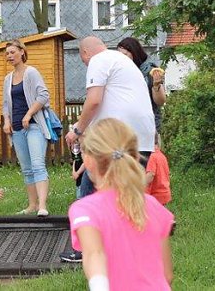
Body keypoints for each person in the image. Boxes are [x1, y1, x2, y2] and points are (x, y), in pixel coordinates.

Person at [61, 36, 157, 263]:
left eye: (83, 59)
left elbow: (94, 101)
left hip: (117, 137)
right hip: (140, 138)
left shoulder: (98, 60)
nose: (85, 63)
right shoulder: (121, 61)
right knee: (126, 194)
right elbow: (111, 103)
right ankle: (128, 247)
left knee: (89, 192)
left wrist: (77, 129)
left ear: (85, 53)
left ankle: (85, 249)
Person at [68, 119, 174, 290]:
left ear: (87, 161)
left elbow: (94, 254)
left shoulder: (85, 209)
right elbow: (167, 275)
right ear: (134, 157)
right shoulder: (154, 206)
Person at [2, 39, 52, 217]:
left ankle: (42, 206)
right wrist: (6, 121)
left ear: (22, 52)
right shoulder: (8, 79)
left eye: (12, 52)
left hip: (34, 126)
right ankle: (32, 205)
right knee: (27, 169)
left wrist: (29, 114)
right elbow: (6, 104)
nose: (9, 56)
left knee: (38, 165)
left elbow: (44, 95)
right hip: (17, 129)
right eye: (7, 53)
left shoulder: (31, 72)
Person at [117, 37, 166, 132]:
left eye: (125, 54)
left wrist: (156, 85)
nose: (121, 58)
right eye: (119, 55)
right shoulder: (121, 72)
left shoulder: (150, 70)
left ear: (134, 53)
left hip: (148, 126)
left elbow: (160, 101)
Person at [145, 136, 171, 207]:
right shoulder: (162, 156)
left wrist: (139, 185)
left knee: (153, 217)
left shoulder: (153, 157)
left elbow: (150, 175)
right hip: (164, 192)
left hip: (156, 195)